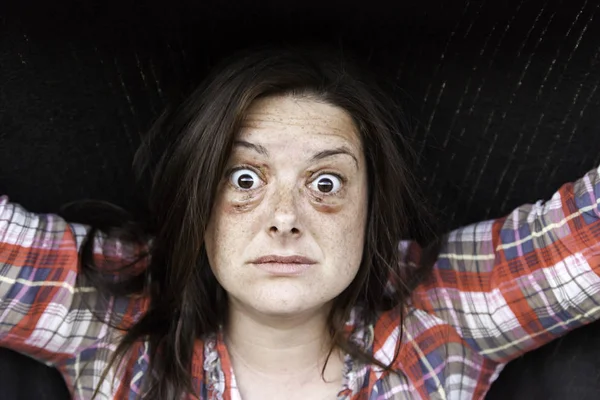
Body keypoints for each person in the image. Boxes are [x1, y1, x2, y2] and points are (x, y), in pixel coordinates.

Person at [0, 45, 598, 400]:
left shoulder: (446, 312)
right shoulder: (107, 315)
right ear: (196, 205)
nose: (284, 218)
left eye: (326, 184)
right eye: (243, 179)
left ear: (372, 212)